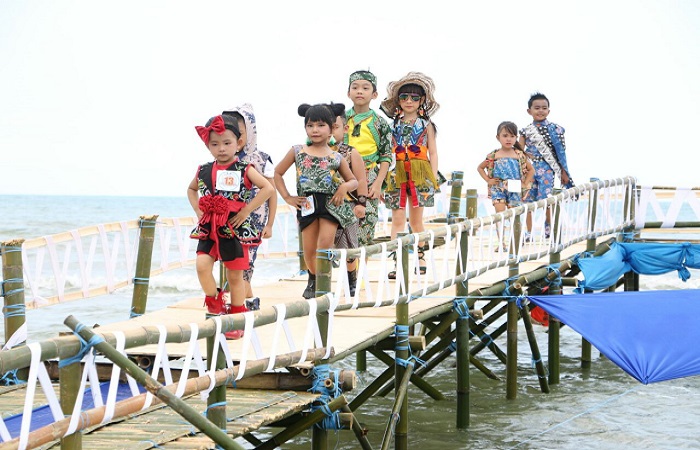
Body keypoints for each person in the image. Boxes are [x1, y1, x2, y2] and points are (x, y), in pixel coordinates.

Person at [187, 114, 274, 339]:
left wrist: (246, 211)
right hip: (209, 227)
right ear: (208, 146)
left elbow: (267, 189)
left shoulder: (245, 169)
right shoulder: (203, 170)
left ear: (239, 143)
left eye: (227, 143)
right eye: (215, 144)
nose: (221, 148)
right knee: (201, 265)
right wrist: (198, 210)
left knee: (236, 277)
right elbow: (191, 189)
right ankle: (215, 303)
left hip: (233, 227)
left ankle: (236, 320)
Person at [274, 103, 359, 299]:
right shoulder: (297, 151)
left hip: (330, 205)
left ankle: (325, 283)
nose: (315, 130)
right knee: (309, 250)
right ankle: (312, 278)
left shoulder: (336, 156)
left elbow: (353, 180)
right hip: (306, 204)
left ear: (331, 129)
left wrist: (343, 188)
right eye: (310, 125)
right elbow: (277, 173)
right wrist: (287, 197)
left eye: (321, 125)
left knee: (324, 246)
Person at [379, 72, 442, 278]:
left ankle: (420, 256)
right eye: (404, 97)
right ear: (398, 100)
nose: (409, 101)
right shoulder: (391, 126)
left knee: (416, 221)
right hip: (396, 173)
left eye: (414, 98)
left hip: (420, 172)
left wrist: (433, 178)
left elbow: (432, 151)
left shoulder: (427, 125)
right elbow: (385, 152)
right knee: (397, 220)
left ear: (422, 101)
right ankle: (399, 262)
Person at [222, 104, 277, 311]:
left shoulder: (262, 160)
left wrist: (270, 224)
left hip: (254, 220)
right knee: (234, 265)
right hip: (228, 220)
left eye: (240, 133)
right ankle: (249, 302)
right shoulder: (224, 159)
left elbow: (271, 192)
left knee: (245, 265)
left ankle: (238, 308)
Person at [345, 70, 393, 250]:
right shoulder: (340, 120)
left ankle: (360, 272)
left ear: (374, 94)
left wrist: (378, 182)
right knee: (341, 223)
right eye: (355, 87)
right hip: (343, 175)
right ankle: (345, 271)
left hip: (369, 175)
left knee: (365, 222)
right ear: (348, 92)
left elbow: (386, 156)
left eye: (365, 88)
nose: (359, 91)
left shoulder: (380, 123)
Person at [518, 92, 573, 240]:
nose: (540, 111)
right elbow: (519, 151)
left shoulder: (556, 130)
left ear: (549, 110)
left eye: (544, 108)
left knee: (547, 200)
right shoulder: (525, 131)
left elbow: (560, 153)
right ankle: (528, 233)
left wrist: (563, 172)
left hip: (548, 168)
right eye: (537, 108)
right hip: (529, 169)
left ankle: (549, 229)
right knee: (527, 200)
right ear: (529, 111)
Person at [477, 121, 535, 250]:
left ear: (516, 138)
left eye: (512, 136)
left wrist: (525, 183)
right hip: (498, 188)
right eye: (505, 135)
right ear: (498, 137)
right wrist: (488, 180)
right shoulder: (493, 155)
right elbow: (480, 168)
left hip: (515, 188)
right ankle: (501, 243)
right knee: (500, 215)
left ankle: (516, 241)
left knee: (515, 215)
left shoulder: (519, 155)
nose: (509, 139)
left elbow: (531, 170)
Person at [330, 103, 368, 296]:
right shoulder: (312, 152)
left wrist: (361, 203)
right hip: (325, 206)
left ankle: (351, 278)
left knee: (349, 245)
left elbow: (361, 179)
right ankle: (319, 281)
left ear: (345, 129)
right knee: (326, 245)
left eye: (334, 127)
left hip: (348, 204)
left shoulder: (351, 152)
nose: (330, 132)